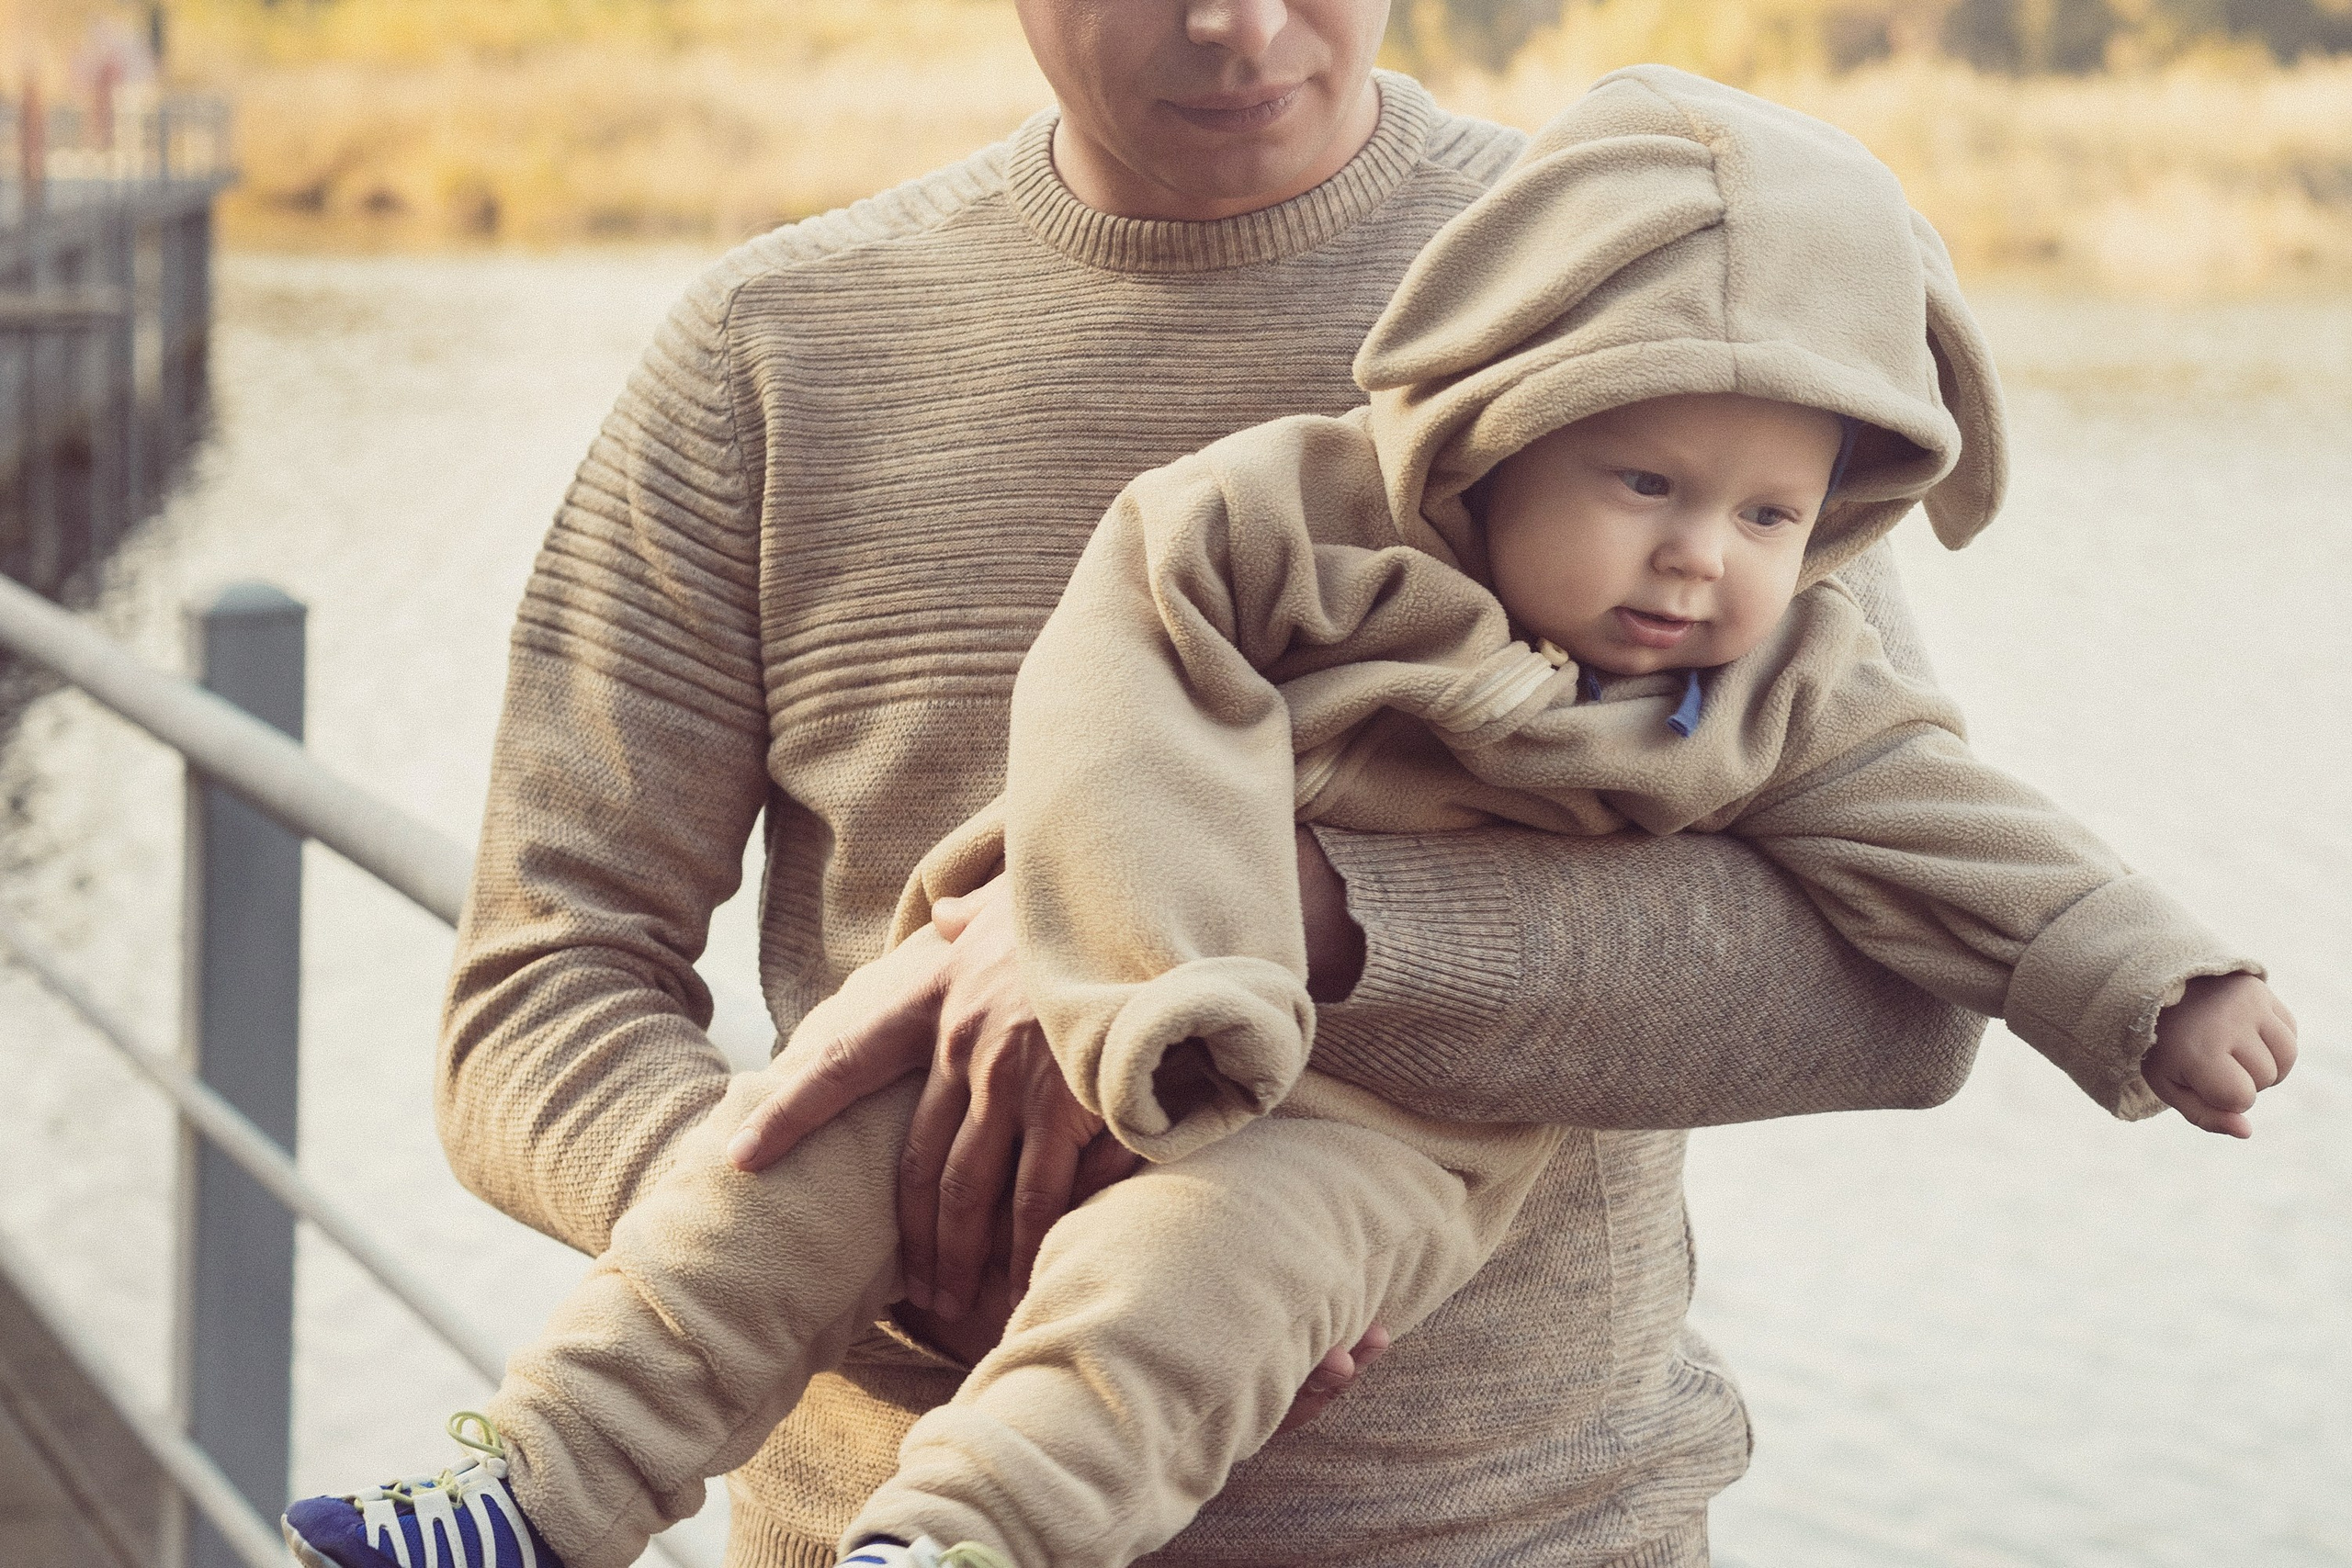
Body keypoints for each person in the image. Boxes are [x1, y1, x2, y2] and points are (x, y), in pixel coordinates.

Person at [284, 66, 2299, 1568]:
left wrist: (1306, 922)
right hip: (840, 1471)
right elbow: (536, 994)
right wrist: (897, 1230)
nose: (1239, 21)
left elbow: (1895, 985)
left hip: (1515, 1512)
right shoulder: (774, 354)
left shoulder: (1683, 300)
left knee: (1211, 1268)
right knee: (787, 1169)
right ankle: (532, 1492)